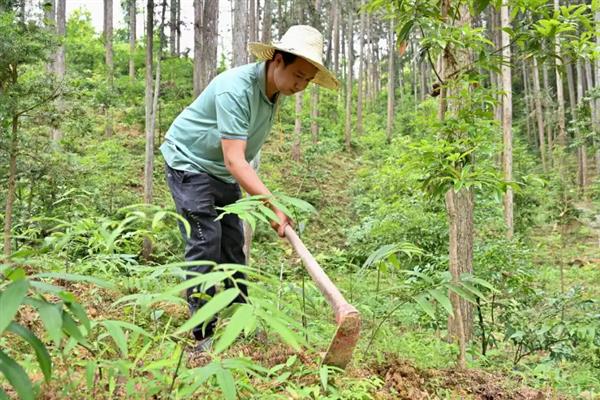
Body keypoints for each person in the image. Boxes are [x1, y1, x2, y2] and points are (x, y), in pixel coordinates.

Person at [160, 25, 339, 352]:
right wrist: (273, 206)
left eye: (307, 81)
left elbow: (246, 154)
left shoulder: (273, 94)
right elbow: (235, 159)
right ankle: (203, 339)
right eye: (298, 76)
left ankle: (241, 321)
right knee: (205, 242)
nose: (300, 86)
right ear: (278, 61)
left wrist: (260, 204)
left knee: (232, 246)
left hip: (223, 171)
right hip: (189, 161)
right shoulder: (236, 89)